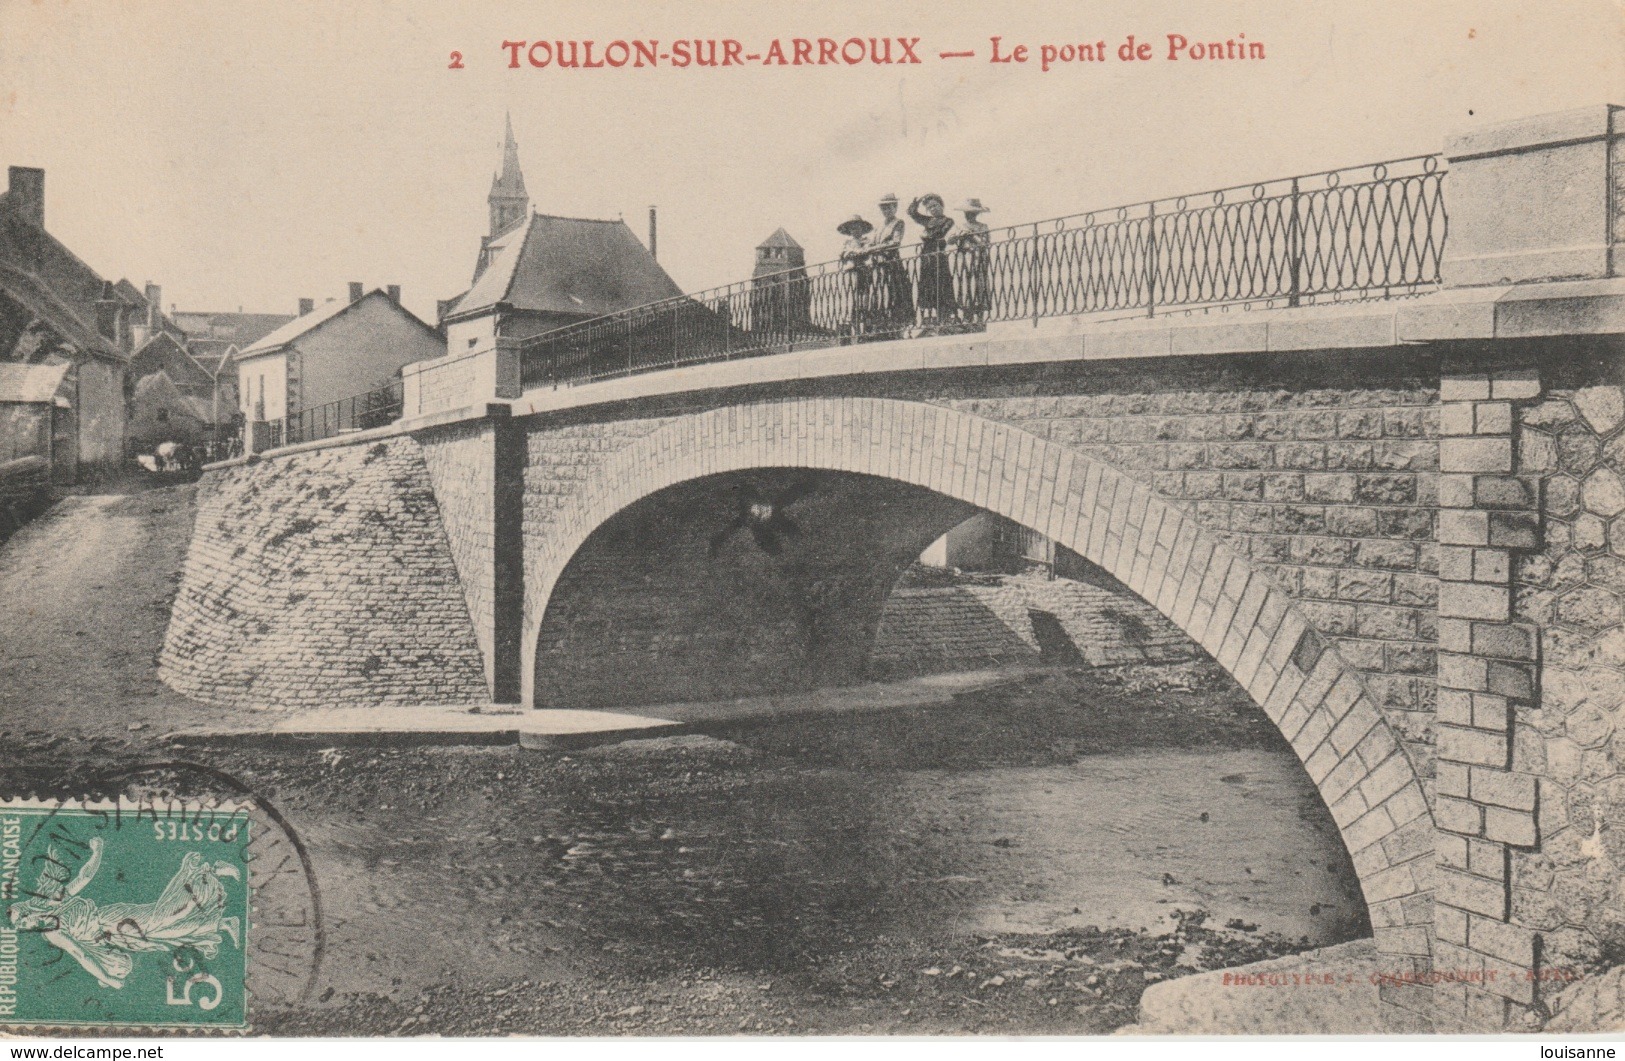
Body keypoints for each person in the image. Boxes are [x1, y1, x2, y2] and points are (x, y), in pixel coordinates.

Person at [10, 838, 241, 990]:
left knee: (160, 919)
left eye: (21, 917)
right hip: (114, 935)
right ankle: (223, 923)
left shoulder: (53, 901)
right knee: (164, 934)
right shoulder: (52, 933)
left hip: (112, 919)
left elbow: (84, 878)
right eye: (22, 926)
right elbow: (81, 954)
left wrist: (97, 851)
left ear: (25, 909)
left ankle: (210, 871)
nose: (25, 923)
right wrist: (107, 976)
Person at [908, 194, 957, 327]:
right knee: (927, 285)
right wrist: (916, 203)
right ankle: (931, 318)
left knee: (941, 284)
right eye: (930, 207)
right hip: (926, 256)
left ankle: (944, 317)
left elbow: (938, 233)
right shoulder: (928, 220)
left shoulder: (948, 220)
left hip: (938, 255)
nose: (933, 209)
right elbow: (912, 213)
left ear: (942, 205)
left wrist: (925, 235)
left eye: (935, 205)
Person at [869, 194, 913, 334]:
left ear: (895, 207)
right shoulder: (879, 226)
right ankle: (881, 326)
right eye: (883, 208)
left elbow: (895, 242)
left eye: (889, 207)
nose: (886, 210)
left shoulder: (898, 223)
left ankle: (897, 326)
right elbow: (872, 242)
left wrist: (875, 248)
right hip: (878, 265)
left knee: (894, 294)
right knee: (879, 294)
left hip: (891, 263)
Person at [953, 197, 992, 325]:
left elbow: (985, 243)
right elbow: (949, 241)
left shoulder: (983, 226)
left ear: (976, 214)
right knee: (965, 285)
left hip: (978, 258)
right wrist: (958, 236)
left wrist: (972, 236)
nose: (968, 216)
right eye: (966, 213)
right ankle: (966, 317)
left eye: (971, 213)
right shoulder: (960, 226)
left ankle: (980, 318)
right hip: (964, 259)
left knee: (979, 285)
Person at [836, 214, 875, 339]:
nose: (855, 231)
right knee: (851, 302)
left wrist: (859, 252)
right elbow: (842, 253)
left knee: (864, 300)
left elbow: (868, 251)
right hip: (851, 273)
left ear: (862, 229)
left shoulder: (866, 241)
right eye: (853, 228)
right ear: (849, 231)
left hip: (863, 272)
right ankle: (855, 330)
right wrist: (850, 252)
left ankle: (866, 330)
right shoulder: (847, 242)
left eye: (858, 228)